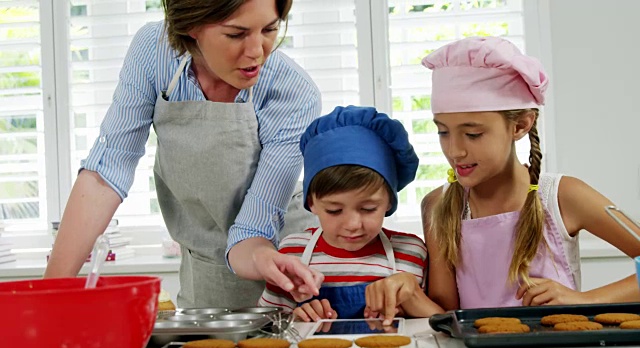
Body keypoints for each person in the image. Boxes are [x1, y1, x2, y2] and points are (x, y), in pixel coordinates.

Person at [44, 0, 325, 309]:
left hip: (285, 272)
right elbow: (108, 170)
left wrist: (266, 258)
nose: (257, 50)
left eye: (270, 29)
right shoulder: (154, 52)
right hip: (203, 275)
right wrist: (50, 296)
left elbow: (253, 227)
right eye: (236, 34)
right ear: (191, 25)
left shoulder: (293, 93)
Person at [366, 36, 640, 316]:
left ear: (520, 126)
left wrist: (587, 301)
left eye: (473, 134)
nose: (455, 150)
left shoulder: (563, 197)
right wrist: (409, 291)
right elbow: (446, 317)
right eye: (443, 131)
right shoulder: (437, 206)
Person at [258, 105, 444, 322]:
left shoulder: (411, 252)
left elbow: (440, 327)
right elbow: (268, 328)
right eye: (334, 210)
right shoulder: (292, 254)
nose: (353, 224)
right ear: (312, 203)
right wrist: (297, 322)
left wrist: (413, 304)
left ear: (389, 201)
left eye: (368, 209)